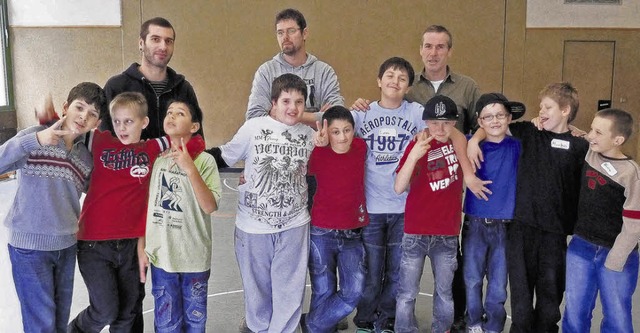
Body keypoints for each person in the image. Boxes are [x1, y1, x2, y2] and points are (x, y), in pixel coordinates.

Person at [352, 26, 481, 331]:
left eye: (440, 46)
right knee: (377, 271)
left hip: (425, 214)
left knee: (418, 279)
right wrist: (357, 105)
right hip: (387, 206)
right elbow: (340, 123)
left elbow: (480, 121)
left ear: (449, 50)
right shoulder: (390, 107)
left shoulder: (459, 91)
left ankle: (414, 321)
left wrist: (471, 152)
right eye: (428, 46)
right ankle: (371, 320)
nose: (434, 52)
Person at [468, 82, 589, 332]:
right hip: (521, 228)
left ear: (565, 110)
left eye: (548, 107)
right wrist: (474, 140)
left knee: (550, 296)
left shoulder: (579, 146)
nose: (541, 111)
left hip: (554, 234)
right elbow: (494, 126)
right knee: (520, 299)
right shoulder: (529, 132)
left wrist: (583, 133)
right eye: (540, 106)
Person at [211, 73, 315, 333]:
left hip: (294, 224)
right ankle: (258, 328)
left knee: (290, 288)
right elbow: (224, 156)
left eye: (299, 102)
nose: (293, 108)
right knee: (257, 289)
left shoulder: (310, 135)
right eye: (286, 101)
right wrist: (189, 158)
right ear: (273, 103)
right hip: (253, 226)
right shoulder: (254, 128)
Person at [1, 82, 106, 333]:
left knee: (58, 323)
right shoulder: (36, 135)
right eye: (79, 108)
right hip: (30, 249)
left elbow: (98, 194)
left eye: (92, 114)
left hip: (66, 247)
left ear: (97, 123)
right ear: (65, 108)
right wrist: (36, 139)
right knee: (41, 326)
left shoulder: (85, 158)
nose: (83, 117)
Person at [67, 92, 170, 332]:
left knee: (128, 312)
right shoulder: (100, 141)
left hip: (131, 246)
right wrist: (47, 115)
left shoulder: (153, 148)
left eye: (129, 121)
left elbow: (188, 140)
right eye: (117, 121)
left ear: (144, 123)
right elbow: (67, 127)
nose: (122, 127)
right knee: (105, 309)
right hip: (94, 245)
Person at [394, 95, 476, 333]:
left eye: (447, 123)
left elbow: (484, 134)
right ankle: (404, 329)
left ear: (455, 123)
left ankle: (442, 329)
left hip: (446, 235)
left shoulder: (461, 143)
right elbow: (399, 187)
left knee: (444, 293)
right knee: (407, 293)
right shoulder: (417, 144)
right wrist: (414, 155)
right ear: (426, 123)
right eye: (434, 123)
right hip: (415, 232)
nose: (440, 129)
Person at [143, 99, 221, 332]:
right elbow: (147, 205)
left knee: (195, 322)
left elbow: (209, 206)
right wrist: (144, 246)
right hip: (162, 257)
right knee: (167, 322)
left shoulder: (205, 161)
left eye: (180, 113)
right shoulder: (157, 159)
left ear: (194, 126)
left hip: (194, 259)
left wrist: (189, 168)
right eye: (169, 112)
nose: (172, 116)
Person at [562, 108, 640, 332]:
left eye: (598, 132)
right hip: (581, 247)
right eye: (591, 129)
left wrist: (615, 259)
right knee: (575, 311)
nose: (591, 135)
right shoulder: (591, 153)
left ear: (618, 139)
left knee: (617, 315)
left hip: (616, 254)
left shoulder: (631, 174)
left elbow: (634, 225)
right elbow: (580, 135)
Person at [300, 106, 369, 333]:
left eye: (347, 130)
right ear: (326, 133)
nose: (342, 137)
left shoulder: (360, 148)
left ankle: (311, 324)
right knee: (323, 290)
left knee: (353, 291)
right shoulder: (316, 153)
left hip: (352, 233)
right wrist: (315, 144)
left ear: (354, 130)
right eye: (336, 132)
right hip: (321, 232)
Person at [462, 93, 524, 333]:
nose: (495, 121)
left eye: (500, 115)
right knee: (472, 279)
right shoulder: (468, 144)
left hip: (505, 226)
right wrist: (473, 140)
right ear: (480, 121)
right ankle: (474, 322)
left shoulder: (518, 145)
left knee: (499, 285)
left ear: (509, 118)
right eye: (488, 117)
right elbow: (452, 136)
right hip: (475, 223)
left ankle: (494, 327)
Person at [103, 17, 201, 140]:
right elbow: (104, 142)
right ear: (141, 43)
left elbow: (197, 140)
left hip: (176, 159)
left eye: (168, 41)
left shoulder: (183, 89)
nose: (163, 47)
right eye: (155, 39)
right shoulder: (116, 86)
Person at [246, 8, 344, 123]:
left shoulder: (324, 71)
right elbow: (253, 117)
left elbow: (337, 116)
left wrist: (280, 114)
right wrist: (316, 117)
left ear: (305, 33)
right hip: (275, 140)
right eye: (280, 32)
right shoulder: (266, 71)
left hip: (315, 139)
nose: (285, 37)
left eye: (291, 31)